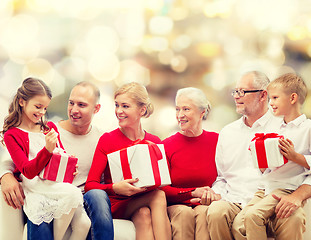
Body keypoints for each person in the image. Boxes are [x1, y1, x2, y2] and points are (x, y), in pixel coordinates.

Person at [0, 81, 114, 240]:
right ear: (22, 102)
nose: (74, 110)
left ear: (96, 109)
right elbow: (18, 163)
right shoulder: (25, 133)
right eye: (71, 103)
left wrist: (69, 165)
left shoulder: (101, 138)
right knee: (60, 202)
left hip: (65, 188)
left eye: (81, 105)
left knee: (84, 222)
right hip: (41, 187)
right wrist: (4, 175)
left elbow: (61, 155)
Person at [205, 71, 311, 240]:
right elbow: (221, 177)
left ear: (262, 95)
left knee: (294, 218)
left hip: (277, 195)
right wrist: (217, 194)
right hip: (239, 199)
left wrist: (297, 196)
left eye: (242, 92)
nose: (236, 97)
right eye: (235, 91)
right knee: (219, 213)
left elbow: (299, 167)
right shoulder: (227, 132)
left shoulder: (283, 125)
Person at [85, 82, 171, 240]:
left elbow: (163, 185)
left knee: (144, 215)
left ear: (142, 110)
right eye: (117, 105)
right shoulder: (108, 139)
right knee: (158, 196)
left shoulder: (154, 142)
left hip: (141, 203)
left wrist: (191, 193)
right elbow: (90, 185)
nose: (119, 111)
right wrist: (115, 188)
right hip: (116, 203)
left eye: (125, 106)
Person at [161, 87, 218, 240]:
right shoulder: (166, 145)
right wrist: (192, 193)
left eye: (186, 109)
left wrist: (212, 196)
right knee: (184, 214)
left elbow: (227, 178)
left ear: (202, 112)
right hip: (177, 206)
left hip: (205, 204)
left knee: (204, 213)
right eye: (177, 109)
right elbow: (161, 189)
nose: (180, 115)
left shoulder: (217, 141)